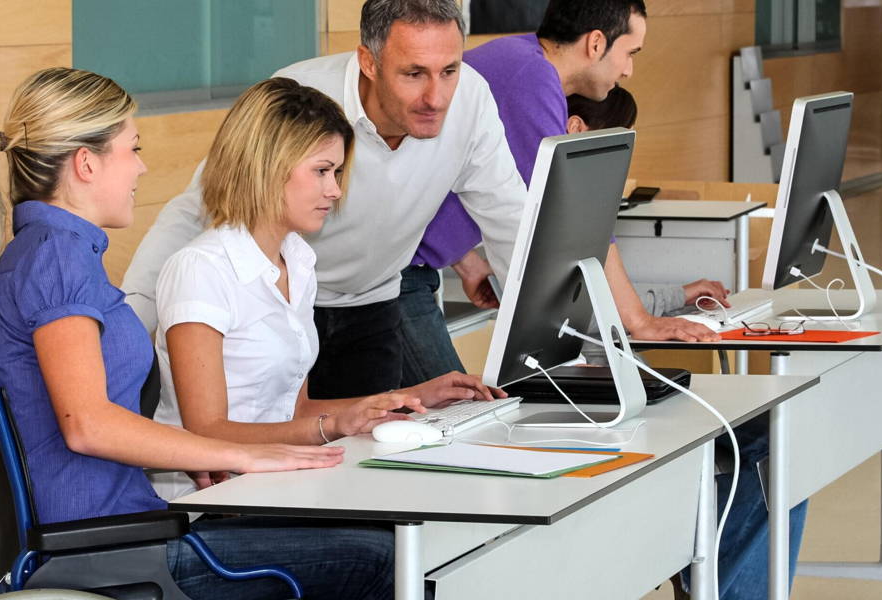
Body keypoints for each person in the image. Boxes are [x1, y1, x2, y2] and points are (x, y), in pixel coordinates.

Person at [124, 0, 710, 404]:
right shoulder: (298, 98)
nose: (436, 97)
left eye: (449, 70)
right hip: (277, 308)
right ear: (368, 63)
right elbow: (198, 211)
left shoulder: (471, 100)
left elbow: (514, 225)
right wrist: (132, 322)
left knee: (373, 479)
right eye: (413, 75)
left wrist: (573, 351)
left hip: (375, 303)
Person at [0, 66, 395, 599]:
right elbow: (88, 425)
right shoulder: (56, 260)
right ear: (87, 163)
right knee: (377, 557)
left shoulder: (51, 252)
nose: (142, 168)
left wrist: (210, 453)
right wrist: (233, 453)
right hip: (109, 546)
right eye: (133, 148)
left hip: (115, 530)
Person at [149, 77, 500, 500]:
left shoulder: (297, 260)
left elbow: (297, 412)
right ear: (267, 167)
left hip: (278, 482)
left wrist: (407, 397)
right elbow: (207, 432)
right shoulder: (200, 269)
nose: (334, 190)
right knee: (391, 537)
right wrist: (333, 427)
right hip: (208, 503)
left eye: (335, 172)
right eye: (321, 172)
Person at [401, 0, 720, 388]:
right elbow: (576, 213)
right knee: (450, 418)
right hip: (395, 276)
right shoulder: (531, 77)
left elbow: (448, 176)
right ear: (597, 43)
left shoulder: (519, 59)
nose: (628, 71)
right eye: (629, 54)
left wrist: (466, 262)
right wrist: (638, 321)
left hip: (407, 264)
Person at [566, 86, 731, 320]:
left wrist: (679, 296)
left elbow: (607, 298)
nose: (626, 156)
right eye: (621, 142)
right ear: (575, 128)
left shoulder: (581, 199)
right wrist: (675, 297)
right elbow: (587, 316)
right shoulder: (566, 211)